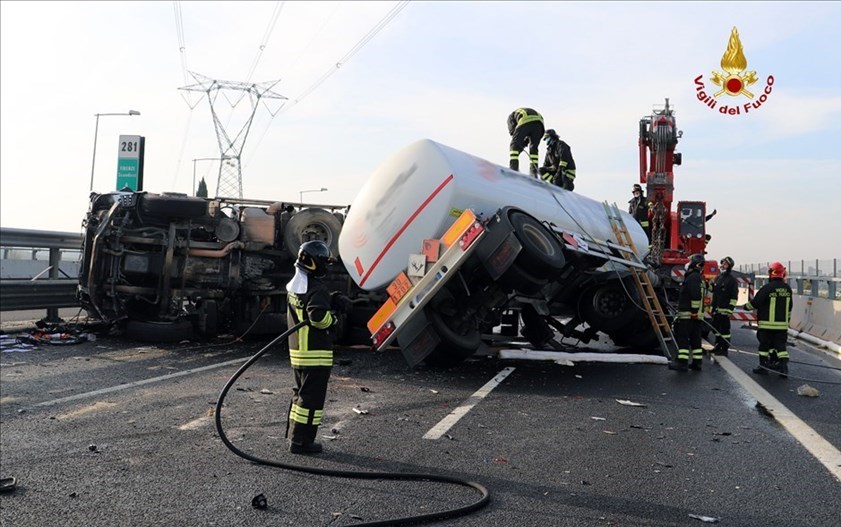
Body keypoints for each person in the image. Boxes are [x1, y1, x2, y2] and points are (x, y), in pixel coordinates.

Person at [285, 240, 350, 454]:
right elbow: (318, 318)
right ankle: (303, 442)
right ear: (316, 263)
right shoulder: (317, 288)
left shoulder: (297, 285)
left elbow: (306, 306)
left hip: (299, 354)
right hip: (315, 354)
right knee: (312, 402)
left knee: (300, 396)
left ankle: (294, 436)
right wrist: (335, 320)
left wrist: (330, 300)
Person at [742, 261, 792, 376]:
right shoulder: (787, 289)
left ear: (771, 273)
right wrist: (787, 322)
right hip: (782, 325)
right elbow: (789, 307)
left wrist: (746, 307)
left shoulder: (767, 288)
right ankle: (783, 368)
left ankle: (763, 367)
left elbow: (756, 302)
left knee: (764, 346)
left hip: (766, 324)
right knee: (780, 346)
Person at [670, 253, 706, 371]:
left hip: (688, 315)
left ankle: (682, 362)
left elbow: (695, 295)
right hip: (695, 316)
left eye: (689, 261)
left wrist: (694, 311)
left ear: (694, 264)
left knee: (683, 338)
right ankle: (697, 363)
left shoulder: (692, 277)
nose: (687, 263)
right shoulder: (698, 278)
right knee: (695, 339)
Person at [710, 256, 739, 356]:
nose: (723, 265)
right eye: (722, 263)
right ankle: (717, 345)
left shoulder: (732, 280)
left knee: (725, 331)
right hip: (716, 310)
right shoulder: (719, 277)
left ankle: (724, 348)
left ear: (729, 266)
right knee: (716, 329)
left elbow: (734, 297)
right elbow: (714, 291)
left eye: (725, 264)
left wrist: (730, 310)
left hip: (725, 310)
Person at [507, 108, 545, 177]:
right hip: (539, 125)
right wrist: (524, 143)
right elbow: (526, 137)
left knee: (513, 145)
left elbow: (513, 132)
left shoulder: (511, 116)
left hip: (526, 120)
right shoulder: (522, 112)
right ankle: (534, 173)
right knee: (533, 149)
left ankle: (513, 169)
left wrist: (518, 145)